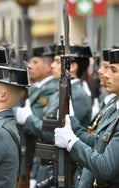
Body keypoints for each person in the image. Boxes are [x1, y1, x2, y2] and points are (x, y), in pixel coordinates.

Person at [16, 44, 93, 186]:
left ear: (73, 67)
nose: (52, 66)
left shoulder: (78, 96)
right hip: (44, 166)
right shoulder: (58, 94)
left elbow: (58, 134)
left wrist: (29, 119)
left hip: (63, 168)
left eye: (58, 62)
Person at [54, 48, 119, 187]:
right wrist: (71, 121)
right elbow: (95, 143)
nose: (105, 74)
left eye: (113, 70)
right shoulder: (113, 105)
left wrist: (72, 142)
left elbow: (106, 167)